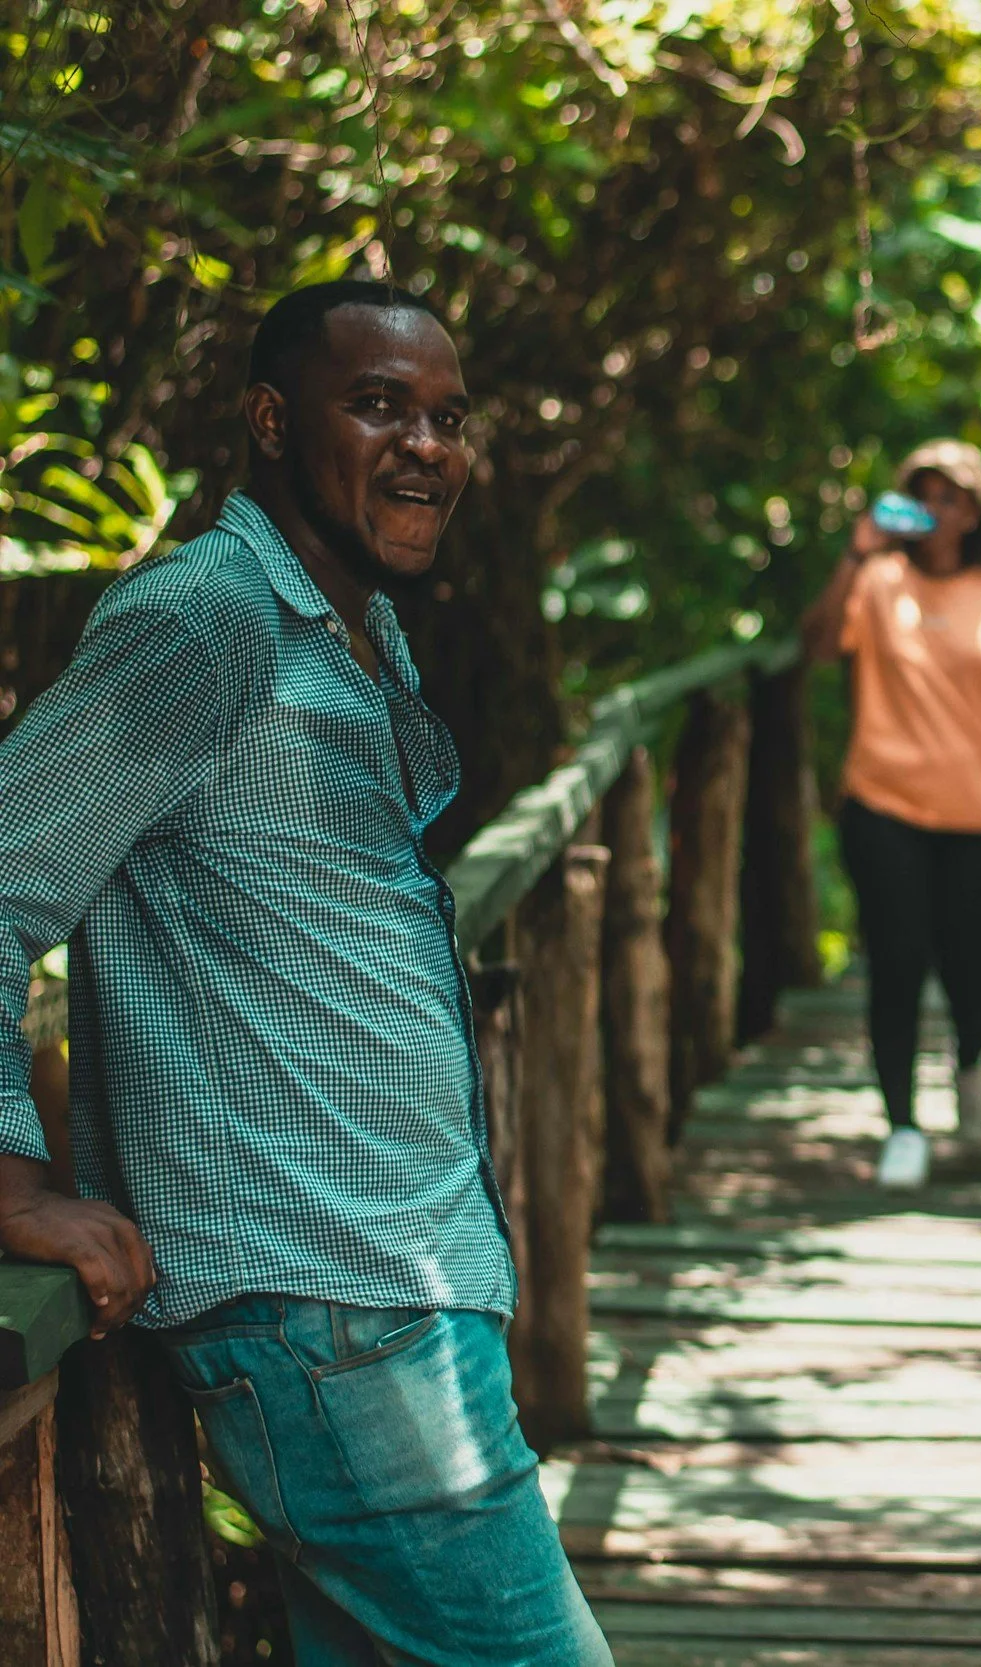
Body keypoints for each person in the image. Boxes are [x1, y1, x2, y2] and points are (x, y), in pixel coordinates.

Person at [0, 281, 611, 1661]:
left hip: (386, 1290)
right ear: (273, 423)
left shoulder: (349, 629)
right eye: (379, 404)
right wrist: (13, 1174)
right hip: (334, 1305)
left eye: (448, 418)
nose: (427, 447)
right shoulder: (206, 621)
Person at [802, 439, 981, 1191]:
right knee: (895, 964)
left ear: (975, 511)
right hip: (884, 804)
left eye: (951, 497)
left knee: (976, 970)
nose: (935, 509)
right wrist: (855, 551)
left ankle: (971, 1064)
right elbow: (817, 645)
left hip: (980, 813)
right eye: (922, 493)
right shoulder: (877, 579)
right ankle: (903, 1122)